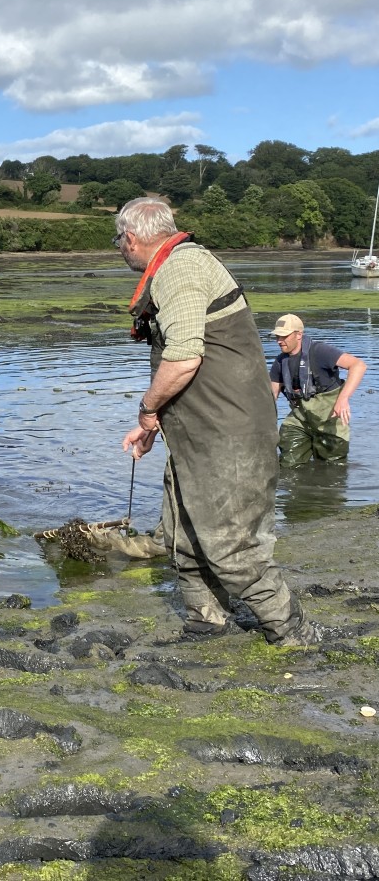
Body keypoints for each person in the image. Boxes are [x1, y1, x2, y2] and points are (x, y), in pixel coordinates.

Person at [116, 198, 319, 646]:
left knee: (230, 545)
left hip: (229, 434)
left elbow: (185, 356)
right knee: (183, 536)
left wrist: (147, 409)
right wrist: (152, 427)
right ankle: (207, 618)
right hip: (197, 433)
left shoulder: (181, 270)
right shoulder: (177, 266)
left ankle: (292, 631)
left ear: (131, 238)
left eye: (119, 242)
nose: (120, 250)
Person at [268, 314, 366, 466]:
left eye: (284, 336)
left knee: (332, 471)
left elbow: (358, 365)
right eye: (277, 337)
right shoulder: (280, 362)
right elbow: (271, 396)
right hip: (300, 421)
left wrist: (343, 399)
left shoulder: (320, 351)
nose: (279, 341)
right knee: (288, 466)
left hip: (329, 420)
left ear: (299, 334)